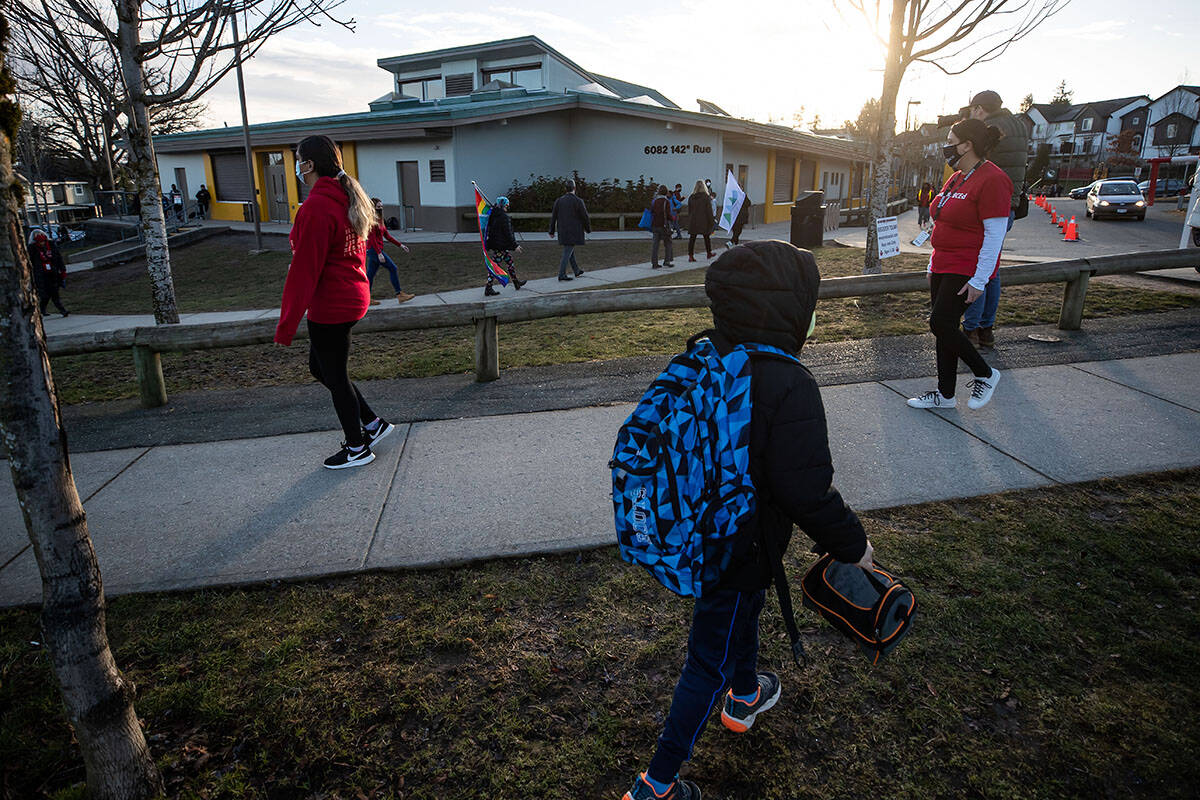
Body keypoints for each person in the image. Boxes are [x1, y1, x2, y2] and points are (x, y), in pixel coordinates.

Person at [622, 240, 873, 800]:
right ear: (786, 309)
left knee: (744, 613)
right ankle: (656, 784)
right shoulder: (789, 382)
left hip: (702, 532)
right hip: (738, 547)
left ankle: (743, 696)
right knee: (705, 658)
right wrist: (855, 546)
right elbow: (806, 491)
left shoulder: (706, 357)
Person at [274, 135, 395, 470]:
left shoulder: (317, 206)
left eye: (299, 159)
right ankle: (372, 424)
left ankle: (357, 448)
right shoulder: (344, 198)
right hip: (351, 295)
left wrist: (286, 325)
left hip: (332, 304)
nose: (297, 166)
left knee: (335, 376)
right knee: (321, 368)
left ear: (309, 164)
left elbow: (304, 269)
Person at [906, 117, 1007, 411]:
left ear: (967, 145)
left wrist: (980, 279)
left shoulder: (993, 179)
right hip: (942, 264)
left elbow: (994, 235)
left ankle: (985, 373)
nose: (946, 148)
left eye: (950, 143)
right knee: (945, 328)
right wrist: (931, 263)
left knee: (939, 323)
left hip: (966, 266)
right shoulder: (957, 176)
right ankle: (945, 395)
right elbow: (942, 221)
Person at [961, 90, 1028, 347]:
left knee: (977, 268)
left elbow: (976, 161)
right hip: (1009, 204)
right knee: (992, 269)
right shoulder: (1019, 125)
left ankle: (970, 328)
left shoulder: (992, 129)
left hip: (988, 202)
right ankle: (986, 328)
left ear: (979, 109)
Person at [365, 198, 414, 304]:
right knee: (393, 268)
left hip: (376, 250)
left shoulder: (380, 219)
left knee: (370, 275)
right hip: (373, 250)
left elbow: (387, 236)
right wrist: (379, 254)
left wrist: (400, 245)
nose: (380, 208)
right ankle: (399, 294)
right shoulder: (371, 220)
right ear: (373, 207)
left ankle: (366, 298)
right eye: (378, 206)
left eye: (381, 206)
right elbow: (371, 238)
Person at [483, 195, 526, 296]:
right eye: (507, 205)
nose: (507, 207)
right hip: (500, 246)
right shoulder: (503, 217)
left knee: (510, 262)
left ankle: (516, 283)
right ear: (503, 205)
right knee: (494, 267)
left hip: (499, 245)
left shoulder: (493, 215)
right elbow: (508, 233)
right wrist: (515, 246)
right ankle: (488, 287)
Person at [548, 178, 590, 281]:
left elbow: (554, 217)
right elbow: (585, 217)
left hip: (562, 230)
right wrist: (587, 229)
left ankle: (576, 270)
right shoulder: (578, 201)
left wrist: (552, 230)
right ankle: (561, 274)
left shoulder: (559, 201)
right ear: (574, 188)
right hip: (574, 231)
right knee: (567, 251)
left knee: (569, 249)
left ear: (565, 189)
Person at [27, 229, 68, 317]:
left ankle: (63, 310)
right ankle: (43, 309)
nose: (42, 243)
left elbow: (58, 258)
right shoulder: (32, 248)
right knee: (45, 295)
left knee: (54, 293)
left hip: (53, 273)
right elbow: (30, 262)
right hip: (40, 275)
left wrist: (62, 270)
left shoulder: (51, 245)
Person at [686, 179, 715, 262]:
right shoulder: (706, 197)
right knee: (706, 237)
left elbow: (690, 210)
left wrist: (690, 218)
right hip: (703, 220)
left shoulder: (691, 197)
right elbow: (709, 210)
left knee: (692, 238)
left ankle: (690, 255)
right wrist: (711, 221)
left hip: (693, 220)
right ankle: (709, 253)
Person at [649, 184, 675, 269]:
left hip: (655, 224)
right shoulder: (666, 201)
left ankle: (654, 263)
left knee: (655, 245)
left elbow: (651, 211)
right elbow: (668, 214)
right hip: (663, 225)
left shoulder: (654, 201)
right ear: (666, 192)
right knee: (668, 243)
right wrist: (673, 218)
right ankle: (667, 261)